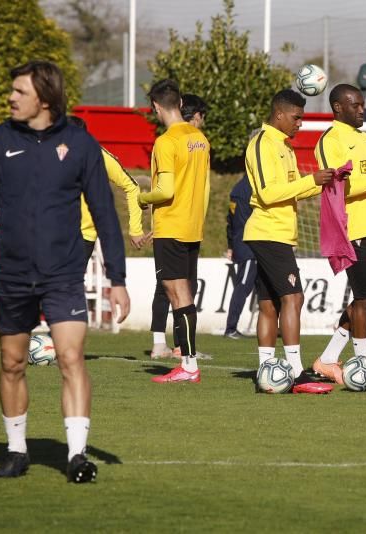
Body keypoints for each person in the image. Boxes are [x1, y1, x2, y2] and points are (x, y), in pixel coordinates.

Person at [0, 60, 130, 482]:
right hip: (12, 274)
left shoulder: (79, 144)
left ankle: (77, 455)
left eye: (19, 91)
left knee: (72, 357)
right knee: (12, 363)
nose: (10, 97)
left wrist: (117, 279)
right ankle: (17, 451)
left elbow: (104, 213)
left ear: (43, 96)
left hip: (62, 273)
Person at [244, 89, 335, 386]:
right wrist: (312, 180)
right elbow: (268, 194)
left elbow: (293, 188)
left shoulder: (285, 147)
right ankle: (296, 372)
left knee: (269, 304)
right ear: (279, 114)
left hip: (279, 233)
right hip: (267, 232)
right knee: (294, 297)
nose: (300, 124)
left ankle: (266, 370)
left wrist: (323, 181)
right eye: (296, 118)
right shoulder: (261, 143)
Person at [313, 84, 366, 386]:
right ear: (337, 107)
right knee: (361, 300)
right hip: (353, 230)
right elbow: (339, 188)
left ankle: (328, 359)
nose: (362, 109)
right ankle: (364, 369)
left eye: (361, 104)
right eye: (355, 105)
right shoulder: (330, 141)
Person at [141, 79, 212, 384]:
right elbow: (204, 188)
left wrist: (142, 197)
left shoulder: (166, 142)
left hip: (171, 224)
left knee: (176, 293)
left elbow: (164, 190)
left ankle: (188, 364)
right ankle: (189, 361)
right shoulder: (199, 138)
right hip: (192, 225)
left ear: (156, 107)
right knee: (184, 294)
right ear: (181, 103)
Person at [67, 115, 146, 272]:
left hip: (83, 237)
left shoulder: (100, 156)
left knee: (65, 288)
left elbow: (131, 187)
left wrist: (135, 229)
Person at [223, 175, 257, 339]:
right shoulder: (252, 188)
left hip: (240, 243)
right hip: (250, 246)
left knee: (248, 286)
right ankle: (231, 328)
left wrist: (231, 244)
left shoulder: (237, 189)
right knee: (243, 286)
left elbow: (230, 220)